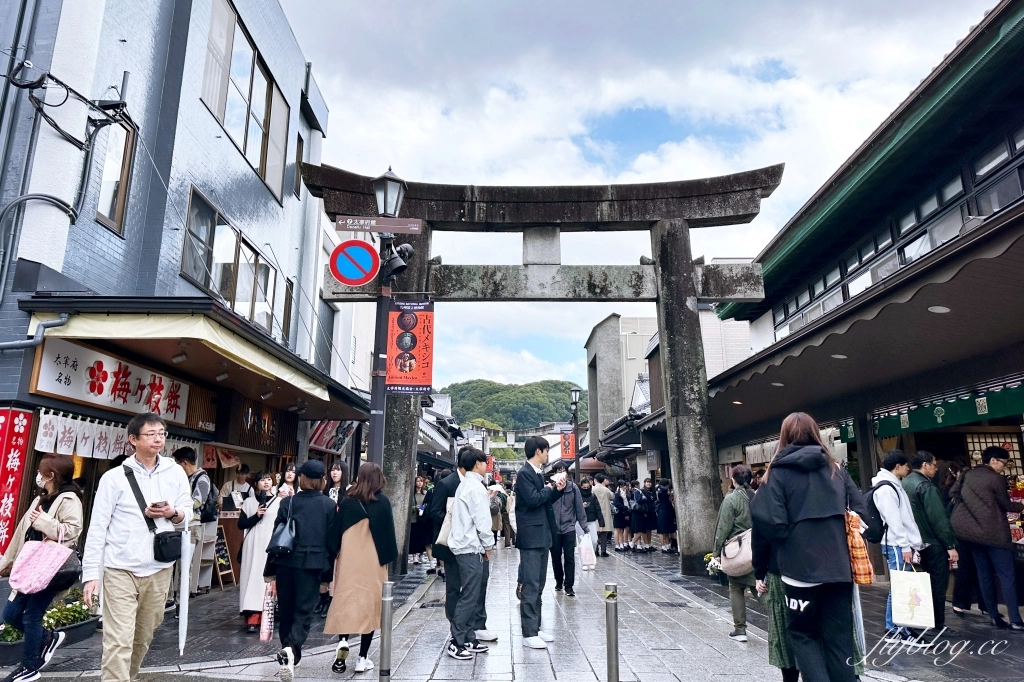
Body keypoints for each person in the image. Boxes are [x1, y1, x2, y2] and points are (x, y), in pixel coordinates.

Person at [750, 412, 866, 682]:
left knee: (804, 635)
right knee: (839, 640)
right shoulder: (836, 469)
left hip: (798, 570)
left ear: (784, 436)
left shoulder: (776, 474)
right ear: (816, 433)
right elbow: (862, 513)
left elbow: (767, 522)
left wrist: (787, 544)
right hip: (839, 567)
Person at [82, 413, 193, 682]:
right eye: (151, 434)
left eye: (162, 433)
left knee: (143, 638)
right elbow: (97, 527)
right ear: (133, 440)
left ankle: (126, 678)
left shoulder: (175, 472)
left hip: (159, 568)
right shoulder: (113, 478)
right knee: (118, 640)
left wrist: (172, 512)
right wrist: (90, 575)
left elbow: (188, 512)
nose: (158, 439)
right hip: (119, 568)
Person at [0, 455, 83, 682]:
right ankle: (48, 638)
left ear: (51, 475)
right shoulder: (42, 499)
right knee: (10, 614)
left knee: (31, 616)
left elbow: (73, 530)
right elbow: (22, 533)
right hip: (30, 565)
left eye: (40, 471)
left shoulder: (69, 499)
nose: (38, 475)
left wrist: (43, 522)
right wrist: (7, 563)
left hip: (51, 567)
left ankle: (29, 667)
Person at [325, 462, 398, 674]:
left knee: (346, 601)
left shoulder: (348, 502)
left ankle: (343, 642)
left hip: (348, 560)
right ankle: (362, 658)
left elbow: (334, 533)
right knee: (371, 608)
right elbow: (389, 537)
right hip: (374, 562)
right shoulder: (383, 502)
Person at [274, 460, 340, 680]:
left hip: (286, 562)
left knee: (286, 609)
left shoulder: (288, 503)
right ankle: (291, 649)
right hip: (313, 564)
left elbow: (277, 535)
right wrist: (327, 575)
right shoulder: (329, 506)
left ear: (301, 479)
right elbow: (333, 544)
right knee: (304, 610)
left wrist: (270, 567)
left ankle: (290, 651)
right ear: (322, 479)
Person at [950, 446, 1024, 631]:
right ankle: (1015, 619)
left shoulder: (967, 475)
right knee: (1007, 575)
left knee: (984, 575)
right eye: (1003, 463)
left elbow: (953, 494)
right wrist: (1020, 506)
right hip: (994, 535)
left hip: (973, 535)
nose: (1004, 468)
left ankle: (994, 616)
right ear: (993, 461)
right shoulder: (995, 479)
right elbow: (1006, 504)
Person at [515, 436, 566, 649]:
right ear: (538, 451)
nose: (547, 455)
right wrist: (550, 488)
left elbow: (542, 501)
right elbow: (534, 499)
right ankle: (528, 632)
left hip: (542, 534)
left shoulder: (535, 473)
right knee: (530, 584)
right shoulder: (525, 473)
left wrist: (556, 490)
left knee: (540, 584)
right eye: (546, 451)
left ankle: (535, 628)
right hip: (531, 536)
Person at [445, 449, 495, 660]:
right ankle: (457, 641)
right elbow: (482, 521)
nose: (487, 466)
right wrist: (488, 544)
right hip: (470, 547)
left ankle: (468, 636)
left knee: (469, 593)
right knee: (470, 595)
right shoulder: (476, 487)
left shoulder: (464, 484)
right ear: (477, 464)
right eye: (485, 463)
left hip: (461, 545)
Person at [870, 449, 924, 643]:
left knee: (901, 586)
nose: (908, 468)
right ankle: (896, 629)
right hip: (896, 543)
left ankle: (897, 627)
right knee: (901, 586)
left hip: (897, 543)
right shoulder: (886, 488)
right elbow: (894, 520)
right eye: (906, 465)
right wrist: (905, 545)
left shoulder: (893, 485)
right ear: (897, 466)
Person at [902, 451, 958, 637]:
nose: (936, 468)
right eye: (934, 464)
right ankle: (937, 623)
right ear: (925, 465)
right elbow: (938, 519)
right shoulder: (926, 486)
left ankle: (922, 620)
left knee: (920, 583)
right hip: (932, 541)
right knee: (937, 584)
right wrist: (950, 545)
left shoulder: (906, 483)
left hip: (914, 542)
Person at [714, 465, 758, 643]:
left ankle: (740, 629)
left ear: (733, 480)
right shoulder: (758, 497)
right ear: (751, 480)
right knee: (759, 586)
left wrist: (716, 551)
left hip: (738, 551)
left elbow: (723, 527)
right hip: (757, 547)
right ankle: (781, 624)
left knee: (736, 587)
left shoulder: (731, 499)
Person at [237, 471, 280, 633]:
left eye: (268, 479)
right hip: (252, 545)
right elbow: (241, 525)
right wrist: (256, 515)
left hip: (270, 545)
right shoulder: (248, 502)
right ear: (256, 484)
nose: (266, 482)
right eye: (262, 480)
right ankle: (252, 615)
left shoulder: (280, 502)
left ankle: (266, 613)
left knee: (267, 580)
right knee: (251, 578)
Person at [170, 447, 209, 600]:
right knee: (169, 564)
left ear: (184, 463)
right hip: (176, 525)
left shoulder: (202, 478)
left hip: (191, 526)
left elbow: (198, 501)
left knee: (185, 567)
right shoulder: (183, 478)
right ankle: (169, 599)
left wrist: (176, 507)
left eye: (178, 463)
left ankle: (181, 601)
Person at [549, 462, 586, 596]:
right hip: (554, 529)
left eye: (563, 471)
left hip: (569, 527)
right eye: (559, 471)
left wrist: (584, 525)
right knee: (555, 557)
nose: (561, 474)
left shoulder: (573, 487)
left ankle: (569, 585)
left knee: (570, 557)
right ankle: (559, 580)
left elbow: (579, 507)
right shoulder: (550, 489)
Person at [579, 477, 605, 566]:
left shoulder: (593, 496)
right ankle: (583, 561)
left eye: (587, 487)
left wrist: (602, 522)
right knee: (582, 543)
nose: (586, 489)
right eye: (584, 488)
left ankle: (591, 556)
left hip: (591, 520)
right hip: (579, 522)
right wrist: (581, 506)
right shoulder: (577, 496)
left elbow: (598, 509)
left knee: (594, 540)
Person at [409, 475, 433, 565]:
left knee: (422, 537)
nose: (419, 483)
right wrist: (415, 508)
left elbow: (427, 504)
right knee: (414, 537)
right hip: (413, 518)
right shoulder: (412, 494)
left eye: (421, 481)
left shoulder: (426, 493)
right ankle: (414, 556)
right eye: (417, 481)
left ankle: (421, 554)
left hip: (423, 519)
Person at [592, 473, 614, 557]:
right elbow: (612, 496)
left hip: (595, 513)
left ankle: (596, 550)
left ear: (595, 480)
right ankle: (603, 551)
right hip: (605, 513)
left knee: (595, 533)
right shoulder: (606, 490)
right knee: (604, 534)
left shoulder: (593, 489)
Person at [656, 478, 678, 554]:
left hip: (668, 511)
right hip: (663, 510)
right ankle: (663, 546)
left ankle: (668, 546)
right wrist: (660, 486)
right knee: (662, 530)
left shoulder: (663, 490)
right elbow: (662, 489)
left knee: (667, 530)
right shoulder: (661, 490)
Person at [612, 479, 632, 551]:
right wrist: (624, 507)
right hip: (618, 513)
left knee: (622, 530)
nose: (625, 488)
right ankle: (617, 545)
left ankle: (621, 544)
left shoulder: (623, 493)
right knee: (617, 530)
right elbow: (616, 503)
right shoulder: (617, 493)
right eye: (624, 486)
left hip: (623, 514)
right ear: (620, 486)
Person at [500, 481, 516, 548]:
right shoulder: (514, 493)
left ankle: (507, 543)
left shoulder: (503, 494)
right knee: (513, 525)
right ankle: (514, 541)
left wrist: (502, 512)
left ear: (505, 486)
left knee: (507, 527)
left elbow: (502, 505)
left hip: (506, 513)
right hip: (513, 512)